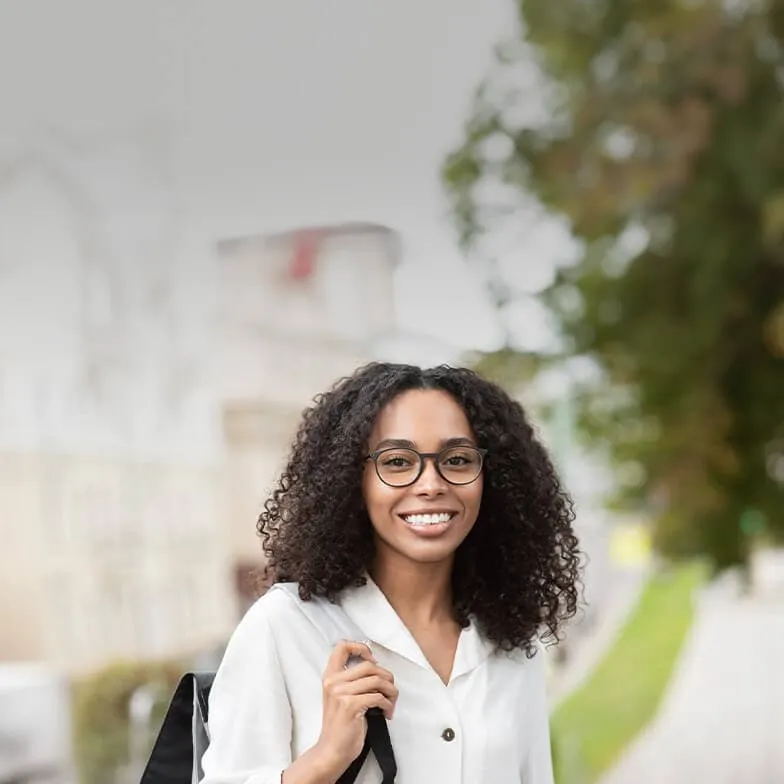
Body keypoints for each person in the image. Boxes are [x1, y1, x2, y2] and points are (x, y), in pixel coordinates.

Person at [200, 362, 581, 784]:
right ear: (351, 479)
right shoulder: (285, 628)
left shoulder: (512, 641)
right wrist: (326, 758)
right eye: (398, 461)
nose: (431, 484)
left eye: (457, 459)